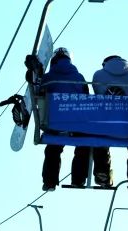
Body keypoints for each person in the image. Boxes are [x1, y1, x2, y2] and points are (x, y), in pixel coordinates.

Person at [38, 48, 92, 191]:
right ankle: (79, 179)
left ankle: (49, 181)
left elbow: (40, 95)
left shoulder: (48, 78)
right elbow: (86, 98)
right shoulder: (79, 77)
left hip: (54, 124)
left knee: (53, 149)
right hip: (77, 123)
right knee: (84, 145)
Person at [91, 55, 128, 190]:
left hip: (105, 125)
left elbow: (97, 93)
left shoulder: (98, 75)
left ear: (105, 63)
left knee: (99, 137)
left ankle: (103, 173)